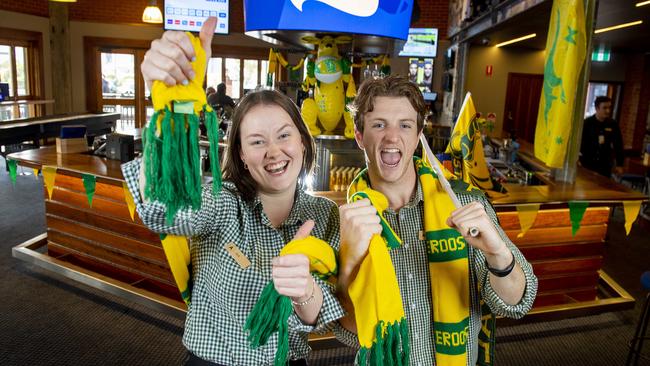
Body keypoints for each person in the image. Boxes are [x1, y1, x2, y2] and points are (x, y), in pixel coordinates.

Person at [128, 17, 344, 365]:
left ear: (303, 143)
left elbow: (317, 316)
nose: (274, 152)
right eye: (257, 141)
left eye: (284, 136)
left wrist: (304, 289)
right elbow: (160, 210)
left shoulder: (323, 216)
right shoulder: (223, 202)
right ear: (241, 155)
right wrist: (174, 106)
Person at [333, 75, 537, 365]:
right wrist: (349, 268)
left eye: (404, 125)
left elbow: (517, 304)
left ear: (417, 136)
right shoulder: (345, 223)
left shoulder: (466, 202)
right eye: (379, 125)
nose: (392, 137)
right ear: (359, 136)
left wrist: (496, 253)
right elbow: (349, 333)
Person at [580, 96, 625, 177]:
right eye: (604, 108)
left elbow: (618, 144)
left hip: (604, 165)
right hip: (587, 163)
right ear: (597, 108)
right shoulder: (587, 123)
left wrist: (620, 164)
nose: (607, 111)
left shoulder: (612, 124)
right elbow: (579, 143)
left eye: (609, 108)